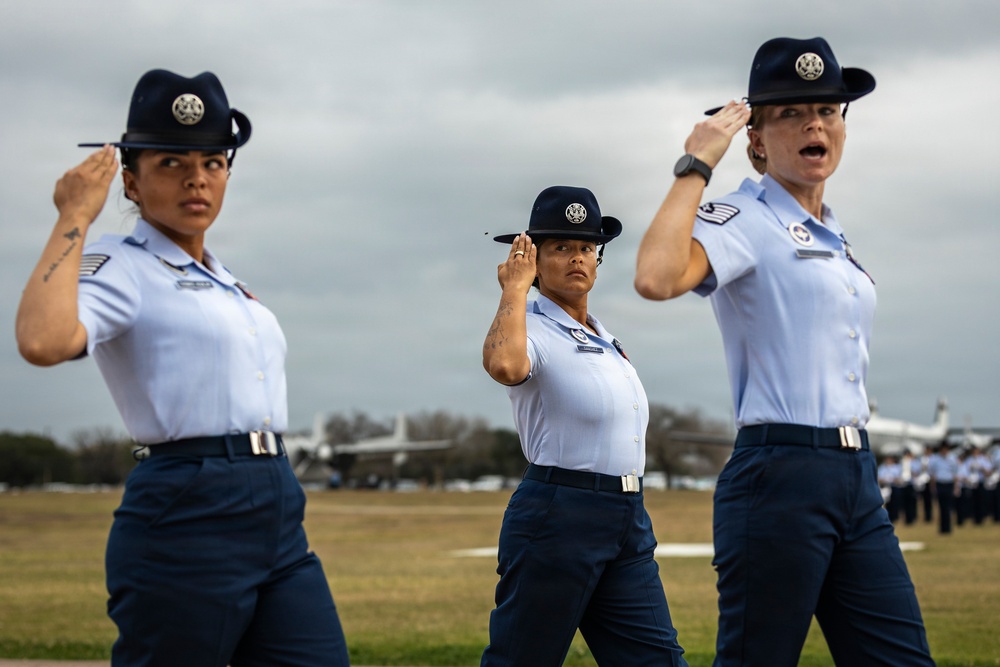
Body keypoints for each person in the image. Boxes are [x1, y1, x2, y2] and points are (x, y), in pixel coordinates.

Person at [15, 69, 350, 667]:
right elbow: (42, 341)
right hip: (188, 508)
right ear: (131, 180)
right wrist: (74, 216)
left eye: (213, 162)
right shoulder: (121, 263)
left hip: (275, 506)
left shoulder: (226, 281)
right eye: (171, 162)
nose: (197, 178)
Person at [633, 37, 935, 666]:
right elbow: (657, 278)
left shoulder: (833, 232)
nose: (814, 124)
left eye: (826, 110)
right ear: (758, 141)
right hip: (780, 474)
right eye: (791, 113)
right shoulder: (744, 217)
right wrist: (695, 164)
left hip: (855, 476)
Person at [480, 186, 688, 666]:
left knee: (658, 658)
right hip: (559, 513)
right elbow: (505, 366)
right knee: (522, 658)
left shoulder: (603, 334)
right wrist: (513, 288)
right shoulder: (528, 323)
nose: (578, 258)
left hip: (626, 516)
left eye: (587, 248)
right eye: (561, 248)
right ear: (532, 259)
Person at [928, 442, 959, 534]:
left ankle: (948, 528)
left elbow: (955, 474)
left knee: (948, 507)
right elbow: (932, 474)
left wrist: (956, 487)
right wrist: (932, 487)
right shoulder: (935, 459)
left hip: (949, 483)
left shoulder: (952, 459)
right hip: (940, 484)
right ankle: (942, 528)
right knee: (941, 507)